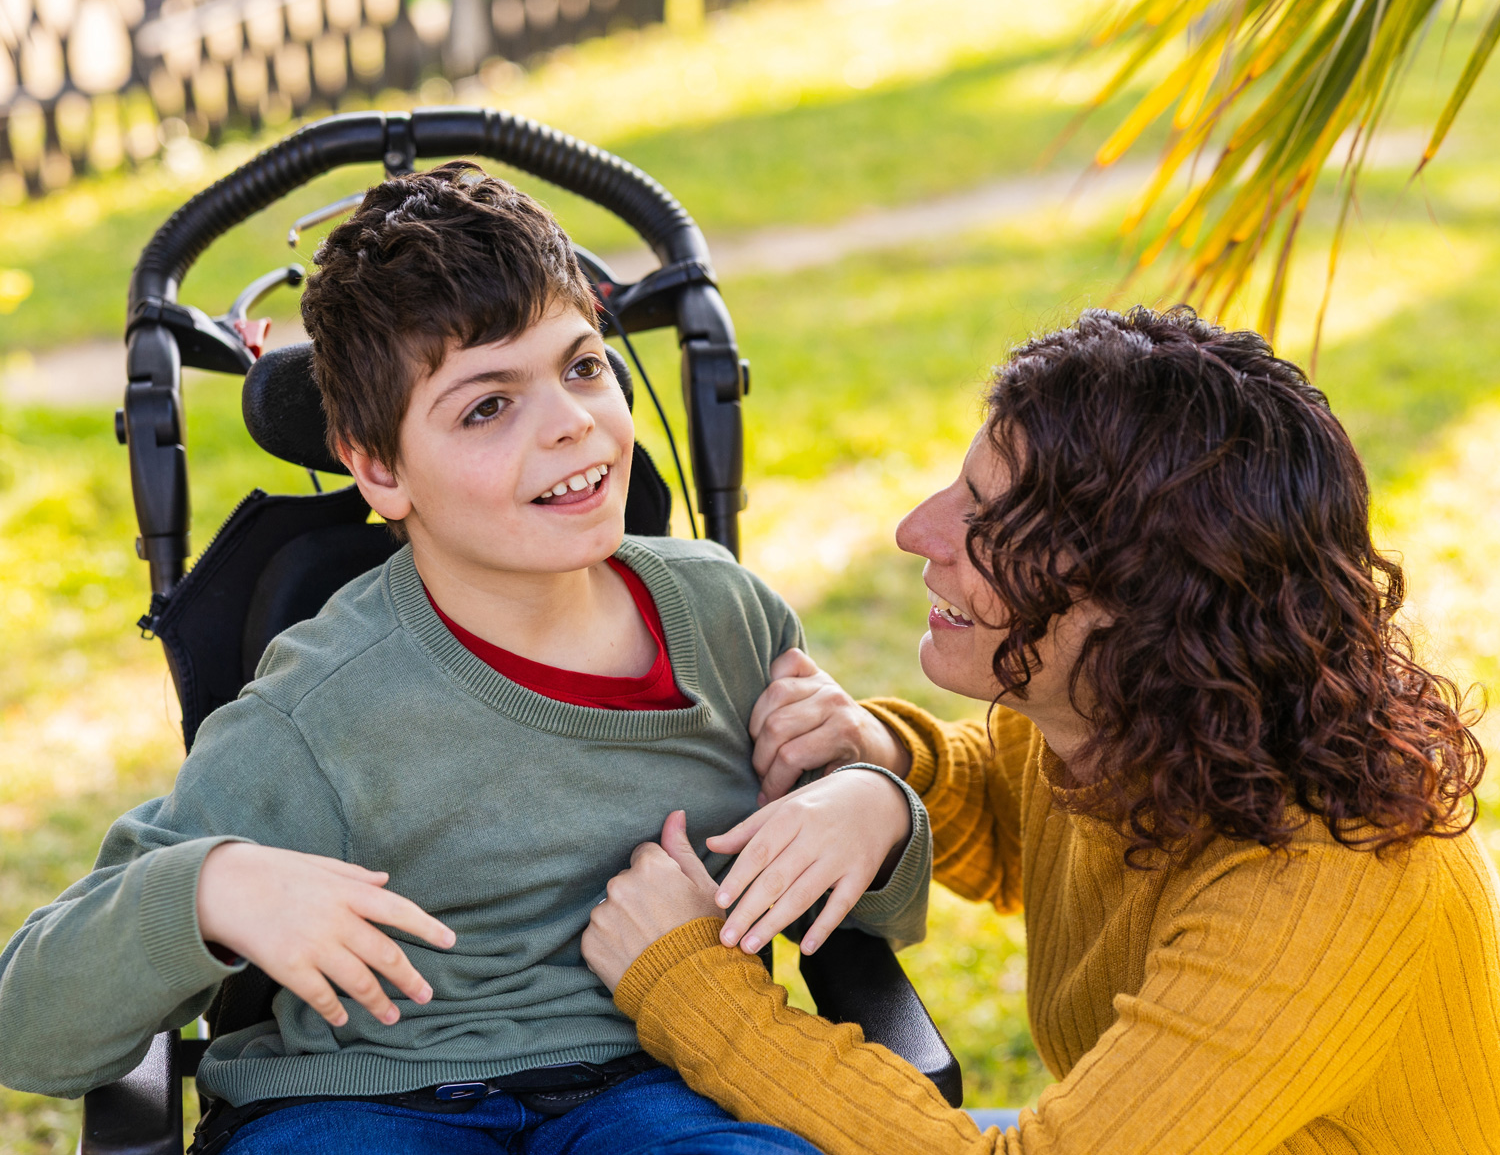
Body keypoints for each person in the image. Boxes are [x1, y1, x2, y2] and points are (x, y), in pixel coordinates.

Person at [0, 164, 933, 1155]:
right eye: (488, 406)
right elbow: (30, 1025)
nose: (571, 420)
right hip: (362, 1104)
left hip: (660, 1079)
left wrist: (871, 807)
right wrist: (212, 891)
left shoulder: (726, 619)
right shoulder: (319, 708)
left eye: (581, 367)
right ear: (377, 466)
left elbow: (879, 907)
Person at [581, 306, 1500, 1154]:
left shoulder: (1325, 892)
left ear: (1145, 607)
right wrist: (883, 764)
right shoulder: (1149, 723)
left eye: (987, 520)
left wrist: (688, 985)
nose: (915, 532)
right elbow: (1023, 810)